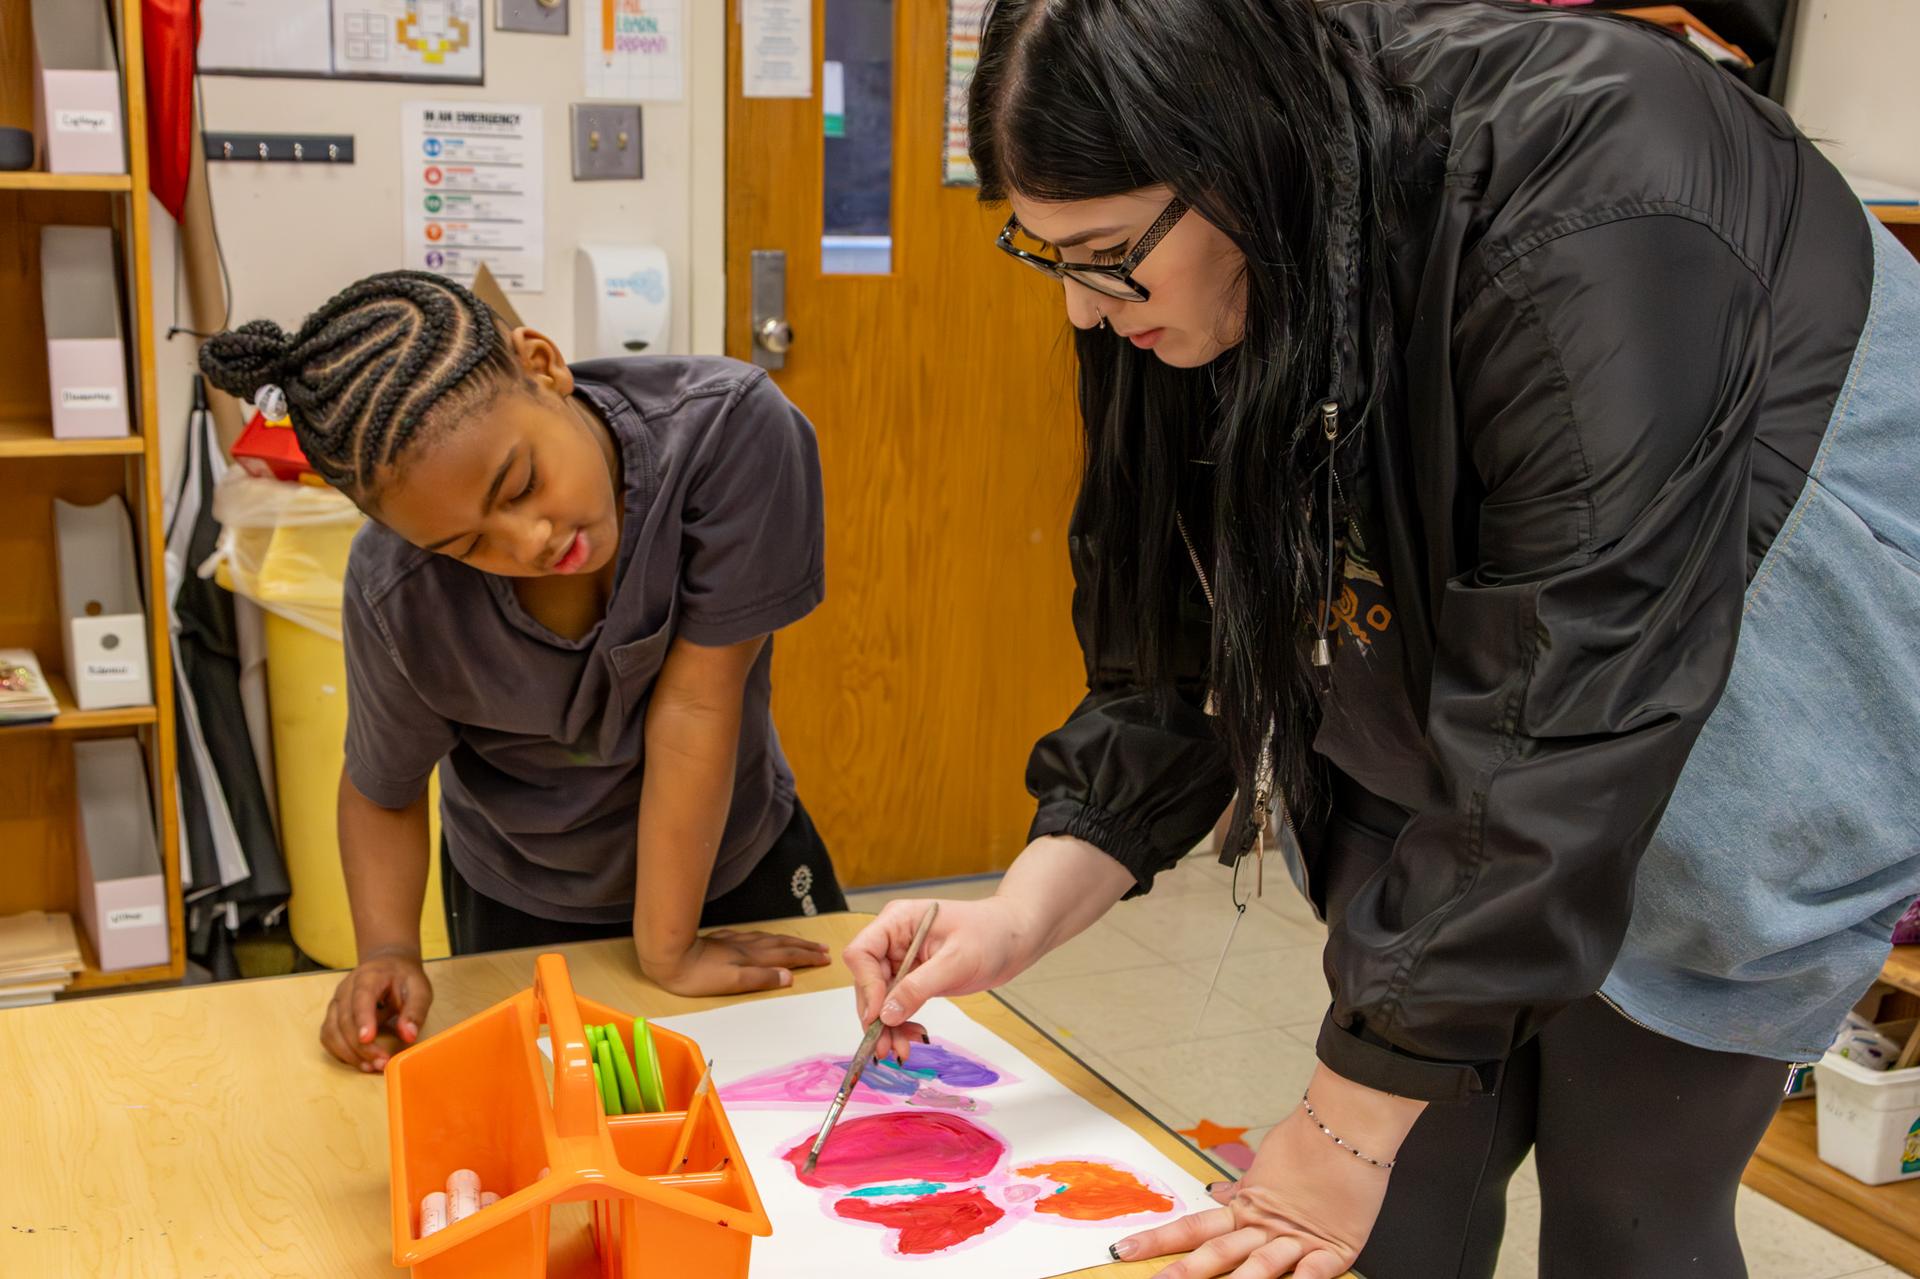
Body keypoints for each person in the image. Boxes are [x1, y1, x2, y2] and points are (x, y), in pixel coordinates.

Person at [847, 3, 1920, 1277]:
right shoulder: (1187, 247)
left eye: (1104, 254)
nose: (1083, 312)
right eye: (1051, 255)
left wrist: (1343, 1131)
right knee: (1390, 1201)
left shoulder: (1599, 185)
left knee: (1626, 1208)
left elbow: (1576, 697)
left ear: (1235, 159)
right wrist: (1032, 898)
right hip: (1498, 674)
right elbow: (1169, 604)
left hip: (1749, 658)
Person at [198, 271, 846, 1074]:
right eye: (467, 546)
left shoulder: (729, 432)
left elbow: (696, 707)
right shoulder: (399, 589)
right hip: (526, 899)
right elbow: (382, 786)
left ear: (542, 362)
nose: (528, 541)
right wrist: (390, 950)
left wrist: (667, 951)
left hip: (732, 859)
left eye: (521, 484)